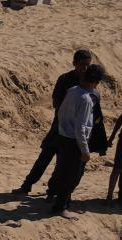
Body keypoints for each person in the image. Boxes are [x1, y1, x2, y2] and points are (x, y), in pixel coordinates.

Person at [20, 48, 95, 195]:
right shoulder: (65, 79)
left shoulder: (89, 82)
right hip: (59, 125)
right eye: (82, 64)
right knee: (45, 156)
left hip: (73, 131)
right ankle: (27, 185)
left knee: (62, 163)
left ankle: (52, 191)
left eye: (88, 65)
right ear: (74, 63)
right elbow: (56, 102)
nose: (85, 68)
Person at [44, 62, 107, 217]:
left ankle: (63, 203)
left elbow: (61, 112)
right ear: (97, 82)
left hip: (63, 137)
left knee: (63, 171)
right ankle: (60, 207)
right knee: (72, 176)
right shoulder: (86, 99)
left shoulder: (72, 90)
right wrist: (85, 150)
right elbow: (80, 127)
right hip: (75, 142)